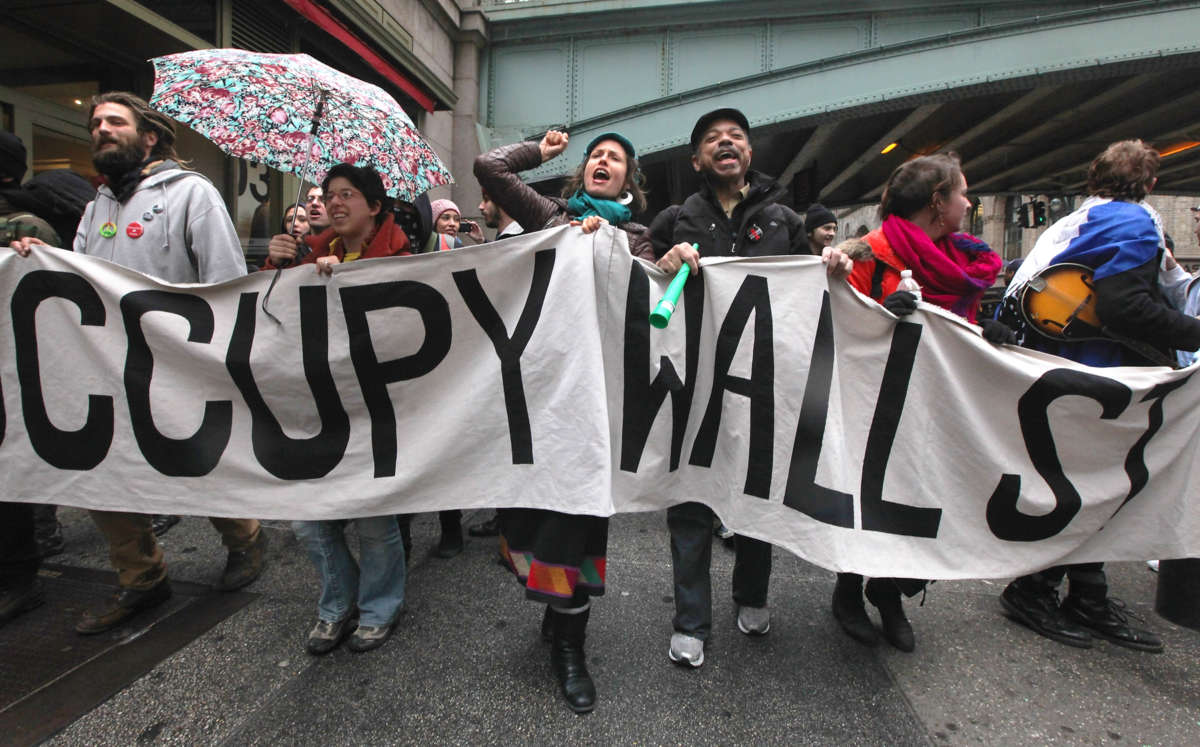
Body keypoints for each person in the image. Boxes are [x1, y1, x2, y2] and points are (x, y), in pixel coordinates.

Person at [11, 92, 268, 634]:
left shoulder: (191, 194)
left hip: (177, 360)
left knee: (197, 457)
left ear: (148, 136)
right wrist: (38, 257)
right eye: (95, 123)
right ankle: (142, 576)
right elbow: (77, 276)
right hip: (107, 361)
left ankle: (244, 537)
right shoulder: (97, 206)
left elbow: (223, 279)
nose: (101, 129)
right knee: (103, 469)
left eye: (114, 121)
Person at [646, 108, 852, 669]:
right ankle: (690, 621)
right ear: (696, 160)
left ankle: (753, 595)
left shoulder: (783, 219)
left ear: (750, 154)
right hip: (693, 386)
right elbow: (636, 274)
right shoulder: (676, 217)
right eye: (712, 140)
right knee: (690, 500)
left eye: (736, 135)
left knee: (757, 492)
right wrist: (661, 260)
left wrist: (830, 263)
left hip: (762, 386)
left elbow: (812, 287)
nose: (725, 143)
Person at [997, 140, 1200, 654]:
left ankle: (1085, 592)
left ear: (1094, 179)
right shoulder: (1134, 223)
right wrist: (1191, 332)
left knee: (1092, 486)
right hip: (1105, 382)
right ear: (1150, 184)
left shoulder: (1076, 222)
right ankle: (1036, 589)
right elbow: (1124, 307)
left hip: (1063, 376)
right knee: (1103, 486)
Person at [474, 127, 651, 713]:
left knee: (576, 518)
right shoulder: (552, 215)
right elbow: (489, 167)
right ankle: (558, 611)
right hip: (540, 397)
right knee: (532, 514)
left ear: (629, 180)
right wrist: (541, 152)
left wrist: (625, 254)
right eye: (596, 155)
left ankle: (569, 648)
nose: (604, 161)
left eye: (616, 159)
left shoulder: (639, 238)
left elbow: (652, 307)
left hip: (596, 408)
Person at [836, 152, 1003, 653]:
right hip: (876, 410)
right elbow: (838, 333)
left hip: (934, 410)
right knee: (867, 505)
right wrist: (879, 317)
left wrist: (983, 336)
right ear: (938, 202)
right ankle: (848, 593)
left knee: (922, 502)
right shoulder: (868, 255)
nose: (968, 203)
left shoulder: (959, 263)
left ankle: (891, 594)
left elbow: (955, 333)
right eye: (962, 193)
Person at [265, 163, 411, 654]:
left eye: (348, 194)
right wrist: (279, 265)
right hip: (315, 408)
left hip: (374, 411)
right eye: (330, 194)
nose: (335, 202)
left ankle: (379, 608)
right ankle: (336, 605)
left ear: (374, 205)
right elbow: (269, 318)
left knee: (373, 520)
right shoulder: (309, 250)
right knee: (308, 521)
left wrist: (349, 279)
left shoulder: (403, 254)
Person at [466, 190, 526, 540]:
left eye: (486, 199)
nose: (480, 205)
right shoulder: (506, 239)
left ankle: (512, 524)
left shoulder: (516, 239)